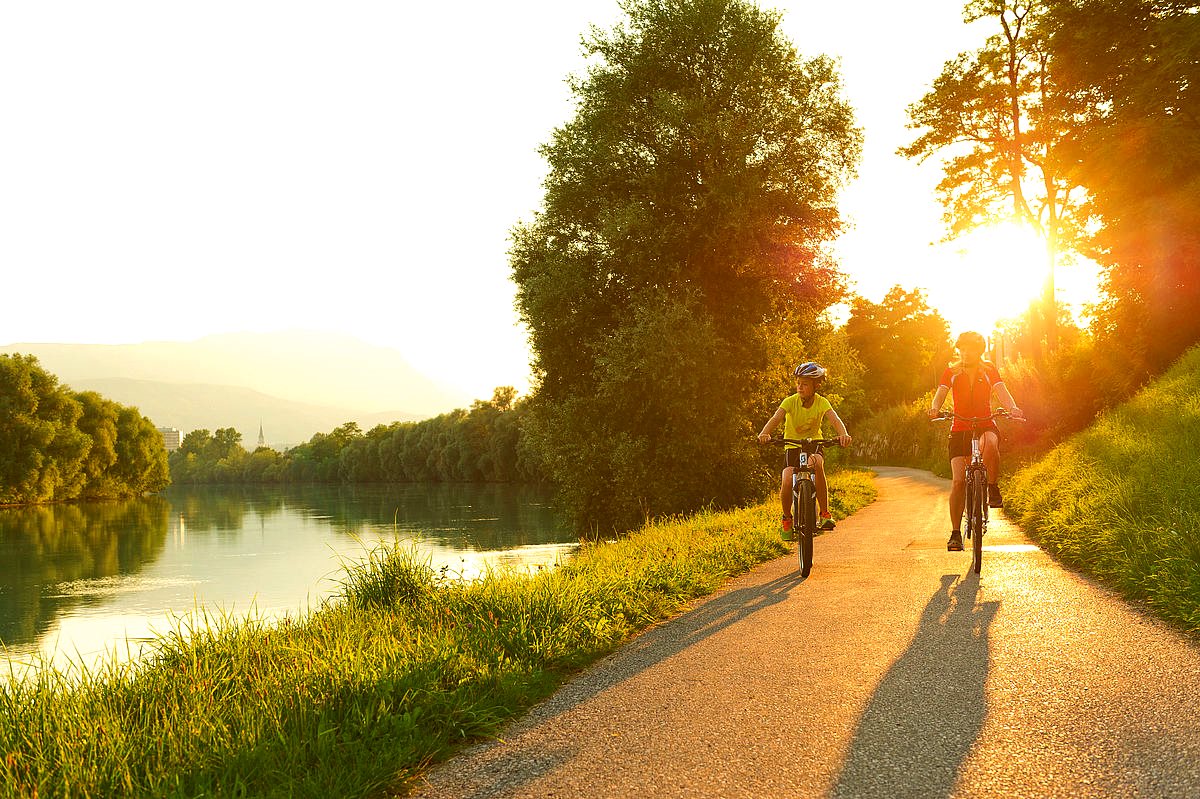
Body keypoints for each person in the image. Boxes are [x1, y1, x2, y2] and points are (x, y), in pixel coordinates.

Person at [927, 331, 1024, 552]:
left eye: (971, 348)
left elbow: (1002, 392)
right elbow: (940, 393)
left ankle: (992, 487)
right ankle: (955, 533)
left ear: (979, 351)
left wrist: (1013, 408)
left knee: (991, 442)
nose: (966, 352)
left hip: (985, 423)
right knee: (959, 482)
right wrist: (934, 407)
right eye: (963, 348)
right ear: (959, 349)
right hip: (959, 428)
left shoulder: (989, 369)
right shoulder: (951, 372)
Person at [757, 361, 852, 536]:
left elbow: (835, 419)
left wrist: (843, 434)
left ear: (816, 385)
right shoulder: (790, 401)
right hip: (792, 445)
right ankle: (787, 519)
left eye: (805, 384)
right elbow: (776, 418)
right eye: (798, 383)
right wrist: (764, 434)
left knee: (817, 464)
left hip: (813, 444)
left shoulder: (822, 402)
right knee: (786, 479)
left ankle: (824, 513)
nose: (800, 387)